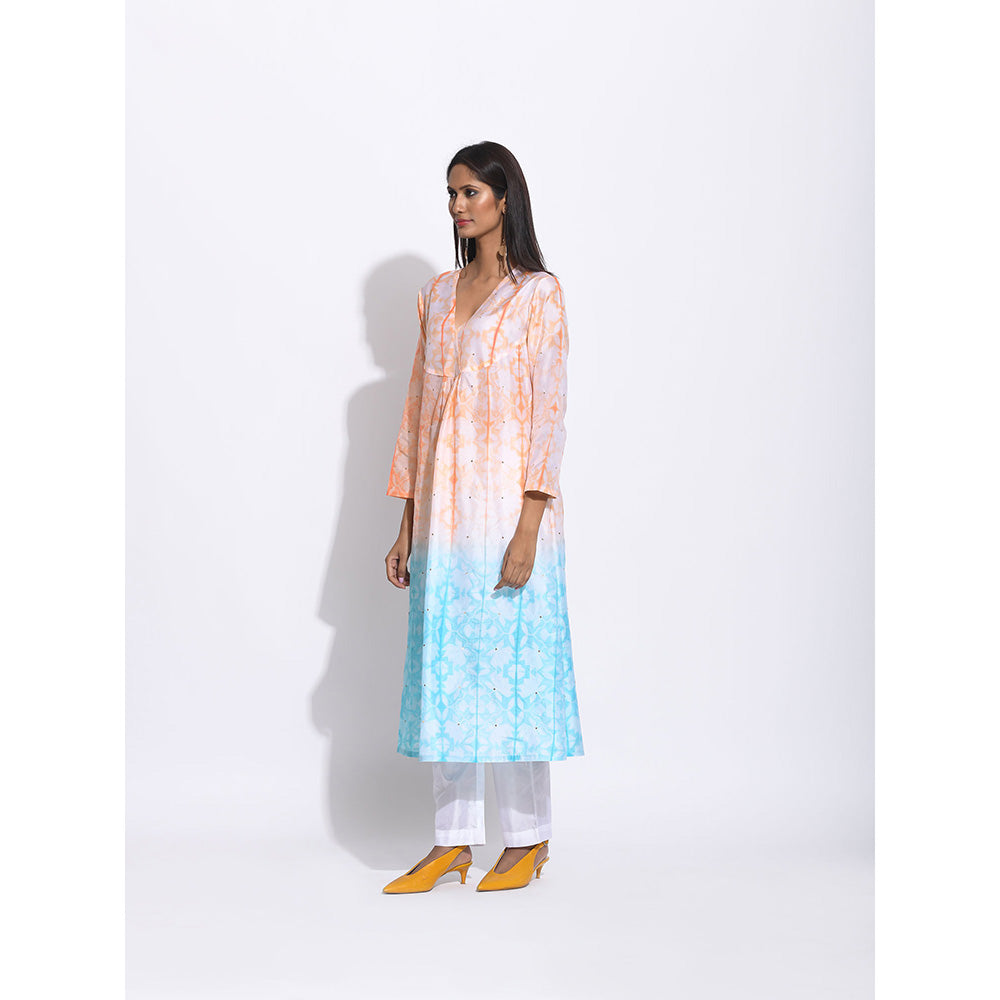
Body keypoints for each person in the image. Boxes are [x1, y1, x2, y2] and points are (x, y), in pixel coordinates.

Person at [382, 141, 583, 894]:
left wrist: (530, 524)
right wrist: (407, 523)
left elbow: (550, 414)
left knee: (511, 670)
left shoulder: (538, 295)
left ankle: (527, 839)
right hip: (442, 516)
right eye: (451, 193)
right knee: (447, 670)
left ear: (504, 198)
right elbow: (417, 414)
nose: (458, 205)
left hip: (506, 512)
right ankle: (452, 841)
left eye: (470, 192)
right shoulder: (437, 295)